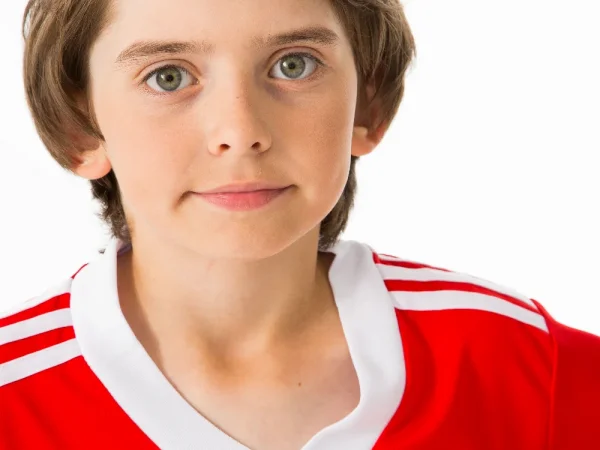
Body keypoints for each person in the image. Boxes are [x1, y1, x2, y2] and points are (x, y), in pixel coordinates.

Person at [1, 0, 599, 448]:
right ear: (81, 126)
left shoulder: (531, 370)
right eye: (168, 76)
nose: (241, 131)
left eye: (294, 64)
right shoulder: (15, 396)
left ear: (367, 102)